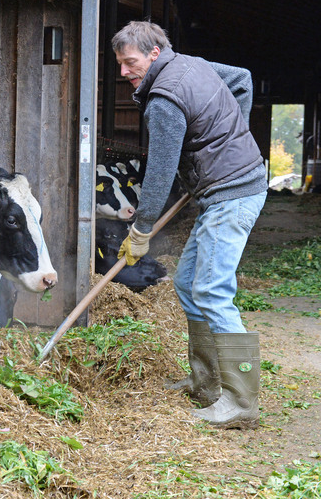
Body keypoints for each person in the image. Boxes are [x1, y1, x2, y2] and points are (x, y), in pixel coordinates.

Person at [112, 21, 268, 429]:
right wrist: (230, 137)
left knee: (212, 290)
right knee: (186, 283)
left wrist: (141, 229)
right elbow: (242, 80)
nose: (124, 71)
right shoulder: (192, 64)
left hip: (232, 194)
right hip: (226, 189)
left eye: (130, 62)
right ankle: (207, 383)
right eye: (120, 63)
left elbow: (160, 173)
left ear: (154, 54)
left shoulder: (164, 100)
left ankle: (241, 402)